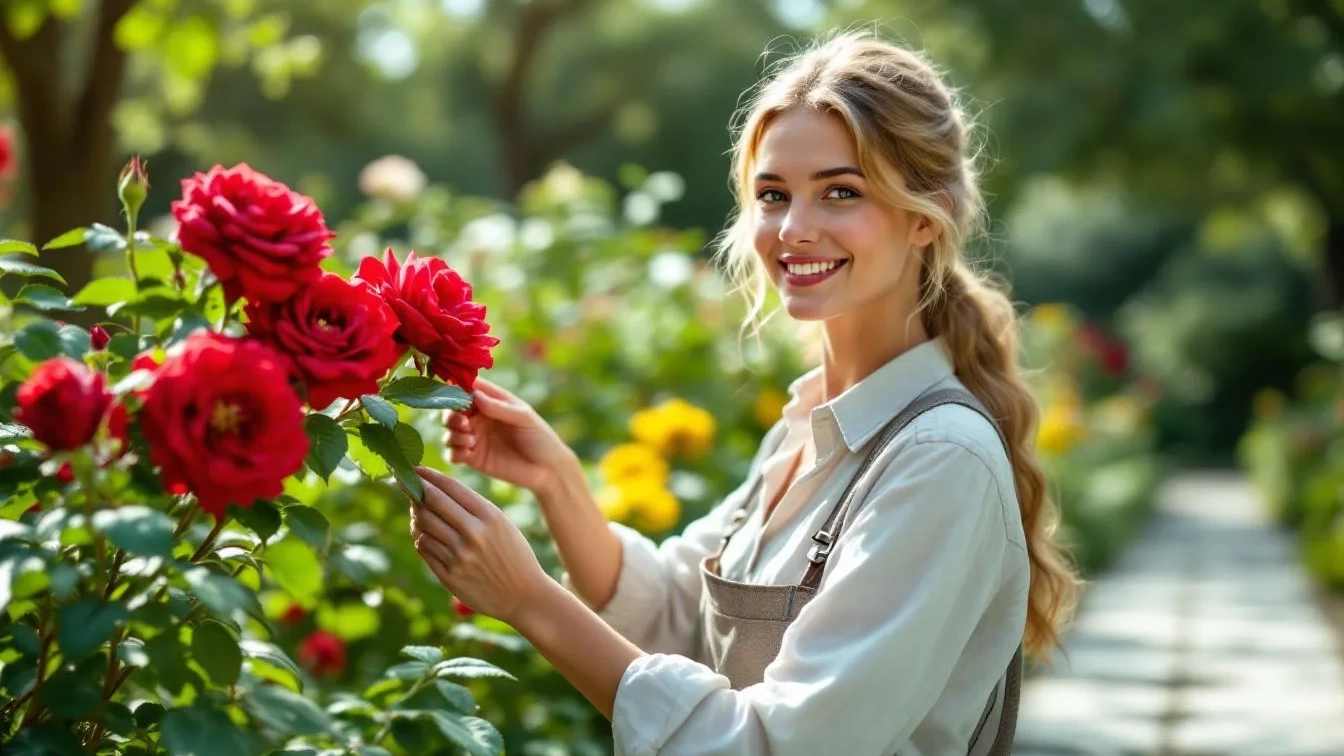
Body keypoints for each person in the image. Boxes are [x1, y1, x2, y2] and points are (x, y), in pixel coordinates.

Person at [408, 29, 1081, 756]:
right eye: (773, 194)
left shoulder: (939, 461)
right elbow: (681, 619)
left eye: (841, 192)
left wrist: (529, 601)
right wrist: (558, 482)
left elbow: (777, 746)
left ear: (925, 215)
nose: (794, 229)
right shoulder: (809, 428)